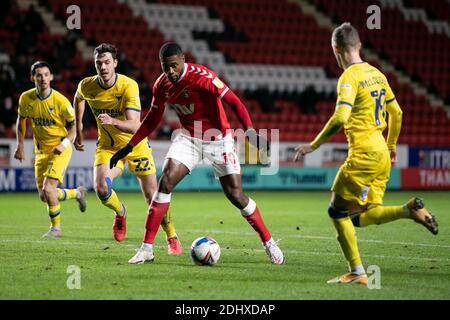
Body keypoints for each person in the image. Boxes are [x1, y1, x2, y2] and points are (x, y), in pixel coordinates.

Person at [110, 42, 285, 265]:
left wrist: (249, 131)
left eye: (173, 66)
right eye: (165, 67)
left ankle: (269, 243)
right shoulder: (161, 85)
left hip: (219, 139)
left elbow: (233, 100)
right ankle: (147, 248)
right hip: (189, 138)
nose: (170, 72)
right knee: (165, 182)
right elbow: (152, 119)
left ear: (183, 59)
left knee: (236, 195)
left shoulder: (203, 76)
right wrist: (130, 145)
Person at [294, 23, 438, 285]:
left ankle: (358, 272)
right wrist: (392, 146)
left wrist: (312, 146)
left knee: (336, 212)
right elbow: (397, 113)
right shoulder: (378, 74)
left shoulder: (349, 77)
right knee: (359, 216)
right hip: (381, 152)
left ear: (336, 49)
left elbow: (340, 118)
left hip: (363, 155)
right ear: (359, 45)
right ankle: (408, 211)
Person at [73, 43, 182, 254]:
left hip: (135, 145)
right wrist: (78, 129)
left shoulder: (128, 86)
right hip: (108, 148)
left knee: (153, 197)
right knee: (102, 189)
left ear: (115, 63)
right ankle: (121, 212)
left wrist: (112, 121)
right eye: (98, 63)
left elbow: (136, 125)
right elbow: (78, 98)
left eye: (106, 62)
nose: (103, 67)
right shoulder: (86, 85)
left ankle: (171, 235)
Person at [14, 61, 87, 238]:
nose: (43, 78)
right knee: (44, 195)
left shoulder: (60, 101)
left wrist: (65, 144)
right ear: (33, 78)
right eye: (39, 75)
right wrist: (20, 145)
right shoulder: (26, 98)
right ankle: (77, 193)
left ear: (51, 77)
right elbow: (21, 121)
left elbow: (74, 127)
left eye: (46, 74)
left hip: (60, 149)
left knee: (49, 190)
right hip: (41, 151)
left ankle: (56, 229)